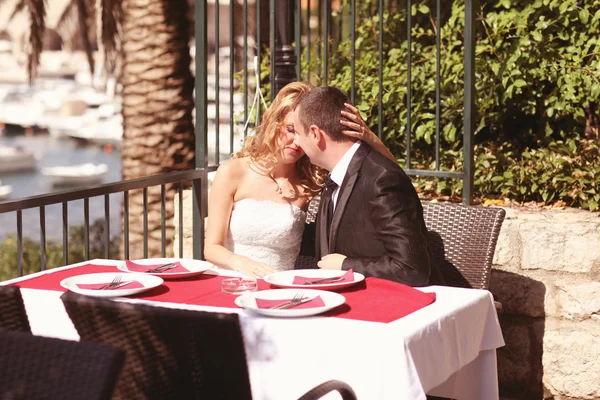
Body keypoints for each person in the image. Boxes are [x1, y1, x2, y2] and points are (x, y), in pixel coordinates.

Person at [204, 81, 394, 278]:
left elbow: (390, 175)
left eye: (302, 133)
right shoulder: (232, 172)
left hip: (281, 288)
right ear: (273, 123)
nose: (297, 142)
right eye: (290, 129)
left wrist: (369, 137)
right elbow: (211, 248)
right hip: (231, 280)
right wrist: (241, 263)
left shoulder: (312, 182)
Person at [292, 85, 436, 286]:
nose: (296, 142)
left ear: (315, 133)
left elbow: (411, 269)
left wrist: (346, 266)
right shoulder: (336, 177)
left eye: (297, 132)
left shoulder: (381, 180)